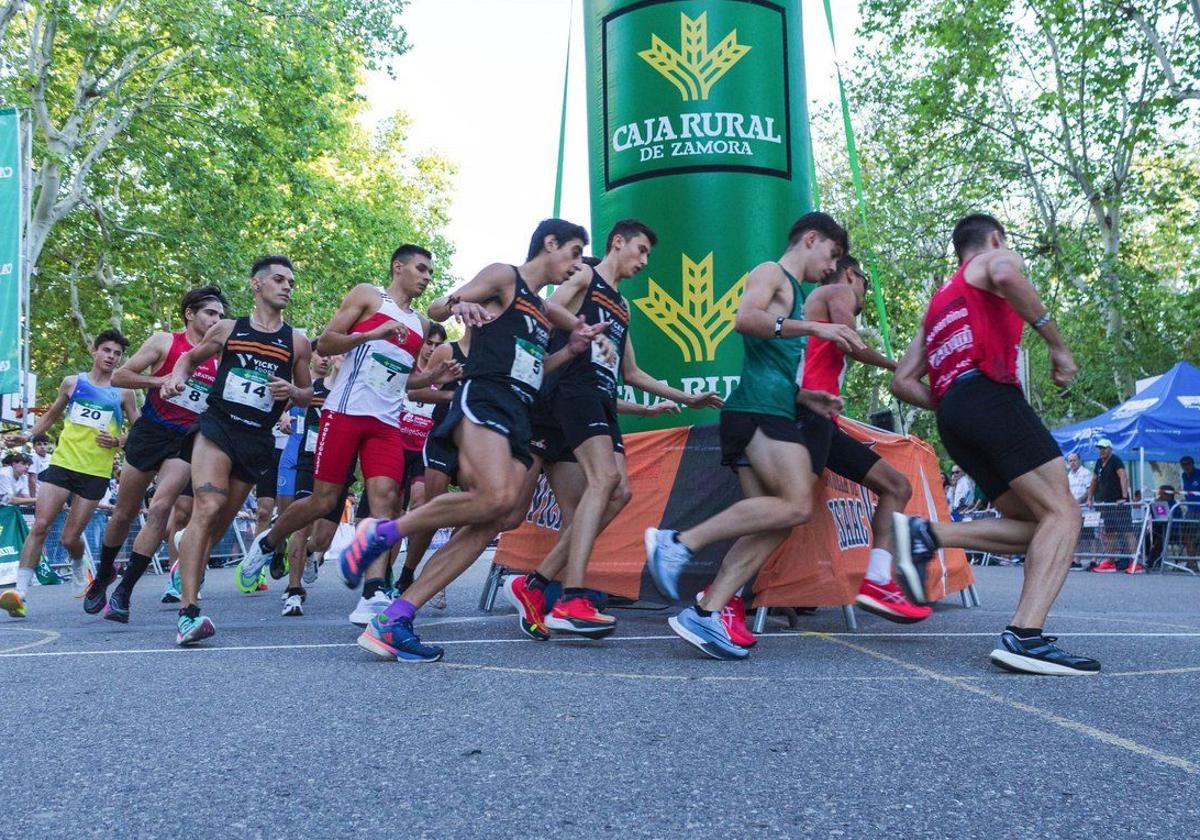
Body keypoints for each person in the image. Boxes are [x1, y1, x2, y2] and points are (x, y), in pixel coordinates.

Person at [339, 218, 613, 662]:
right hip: (485, 399)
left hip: (520, 412)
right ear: (550, 243)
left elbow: (534, 371)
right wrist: (458, 304)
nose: (578, 264)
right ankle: (379, 532)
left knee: (499, 515)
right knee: (496, 495)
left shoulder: (544, 311)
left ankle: (394, 620)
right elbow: (437, 309)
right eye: (575, 252)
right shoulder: (505, 276)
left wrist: (570, 351)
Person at [642, 212, 864, 661]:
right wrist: (817, 327)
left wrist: (809, 398)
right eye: (832, 254)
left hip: (775, 406)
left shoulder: (799, 295)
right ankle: (677, 543)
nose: (832, 266)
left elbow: (776, 362)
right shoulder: (771, 273)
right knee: (798, 503)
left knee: (778, 521)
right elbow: (745, 319)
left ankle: (708, 611)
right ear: (811, 238)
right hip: (755, 410)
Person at [889, 213, 1099, 675]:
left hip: (953, 415)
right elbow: (1006, 274)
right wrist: (1057, 346)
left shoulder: (939, 303)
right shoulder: (993, 258)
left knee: (1037, 522)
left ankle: (928, 535)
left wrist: (954, 402)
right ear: (994, 238)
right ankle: (1025, 636)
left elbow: (902, 382)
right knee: (1065, 512)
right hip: (989, 394)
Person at [505, 219, 724, 640]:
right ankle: (570, 598)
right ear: (617, 242)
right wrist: (571, 335)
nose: (644, 260)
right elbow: (545, 311)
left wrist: (683, 398)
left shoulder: (624, 306)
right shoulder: (585, 274)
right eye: (640, 250)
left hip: (603, 399)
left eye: (647, 255)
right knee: (602, 481)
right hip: (573, 389)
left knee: (618, 492)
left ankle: (533, 585)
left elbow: (633, 372)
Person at [235, 244, 459, 628]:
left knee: (384, 502)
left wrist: (433, 378)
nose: (425, 277)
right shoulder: (369, 296)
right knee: (323, 501)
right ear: (398, 267)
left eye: (429, 273)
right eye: (420, 269)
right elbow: (327, 342)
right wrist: (372, 333)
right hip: (344, 414)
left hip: (386, 423)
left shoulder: (422, 326)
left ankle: (372, 591)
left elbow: (403, 381)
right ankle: (271, 539)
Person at [163, 255, 312, 645]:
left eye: (291, 282)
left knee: (215, 523)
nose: (286, 287)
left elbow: (310, 393)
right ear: (257, 285)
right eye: (279, 279)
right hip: (218, 426)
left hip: (257, 439)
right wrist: (175, 380)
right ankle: (189, 613)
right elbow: (187, 359)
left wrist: (293, 393)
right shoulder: (228, 329)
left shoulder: (296, 342)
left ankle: (188, 550)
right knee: (207, 507)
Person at [81, 286, 228, 621]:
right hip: (150, 431)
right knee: (123, 513)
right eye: (210, 313)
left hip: (187, 438)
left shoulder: (220, 358)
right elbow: (120, 376)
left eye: (220, 315)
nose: (216, 320)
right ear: (190, 314)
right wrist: (160, 380)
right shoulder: (165, 341)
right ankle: (105, 574)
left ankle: (125, 592)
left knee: (161, 507)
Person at [798, 254, 929, 625]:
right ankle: (715, 587)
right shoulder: (837, 288)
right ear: (853, 275)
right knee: (786, 511)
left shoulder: (815, 302)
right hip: (809, 415)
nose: (860, 299)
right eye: (864, 289)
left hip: (824, 421)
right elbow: (848, 342)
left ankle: (876, 579)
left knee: (896, 486)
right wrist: (898, 367)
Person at [0, 330, 136, 618]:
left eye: (117, 353)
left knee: (69, 538)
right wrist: (25, 437)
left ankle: (78, 564)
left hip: (95, 472)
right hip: (63, 464)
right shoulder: (73, 383)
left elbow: (139, 430)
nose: (111, 356)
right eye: (107, 350)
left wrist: (118, 442)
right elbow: (50, 416)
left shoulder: (124, 391)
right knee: (40, 525)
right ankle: (20, 594)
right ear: (94, 351)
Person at [1085, 439, 1132, 572]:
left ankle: (1134, 562)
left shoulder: (1115, 460)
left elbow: (1123, 476)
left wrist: (1123, 497)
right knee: (1109, 532)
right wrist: (1089, 498)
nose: (1101, 450)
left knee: (1127, 532)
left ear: (1110, 449)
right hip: (1107, 504)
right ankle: (1111, 562)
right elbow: (1094, 480)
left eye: (1104, 448)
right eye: (1099, 448)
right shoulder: (1099, 462)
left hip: (1119, 503)